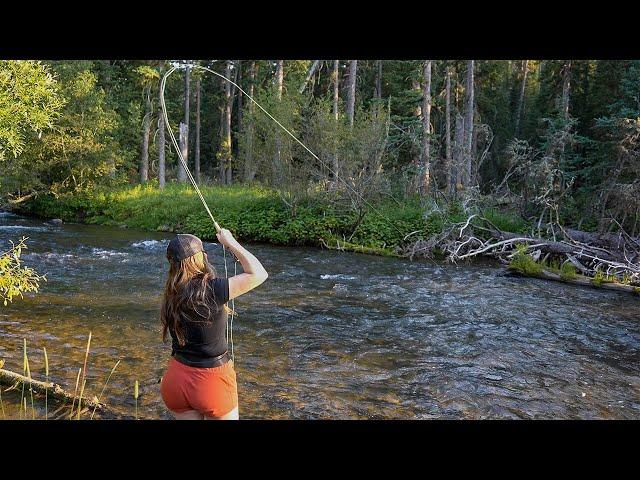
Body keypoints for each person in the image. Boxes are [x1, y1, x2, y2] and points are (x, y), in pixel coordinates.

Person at [159, 229, 268, 420]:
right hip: (211, 382)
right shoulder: (213, 288)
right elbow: (259, 273)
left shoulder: (171, 292)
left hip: (175, 380)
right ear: (202, 257)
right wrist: (231, 242)